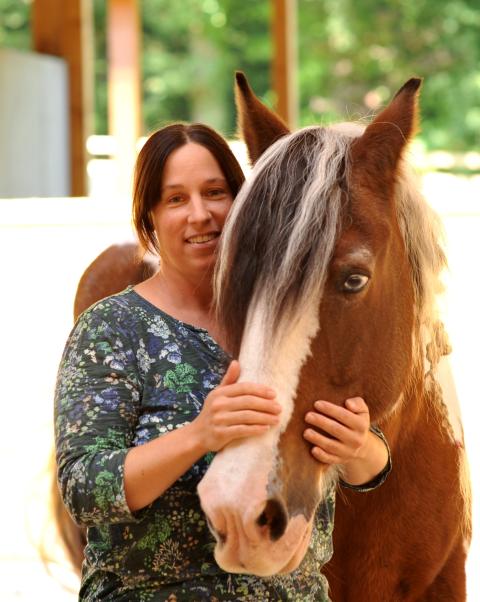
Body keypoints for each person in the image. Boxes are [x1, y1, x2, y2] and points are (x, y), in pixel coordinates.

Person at [54, 122, 391, 601]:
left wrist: (359, 448)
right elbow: (84, 488)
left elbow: (370, 463)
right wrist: (198, 436)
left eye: (215, 192)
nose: (200, 215)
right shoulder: (112, 328)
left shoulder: (286, 312)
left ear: (244, 205)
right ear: (148, 217)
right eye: (175, 199)